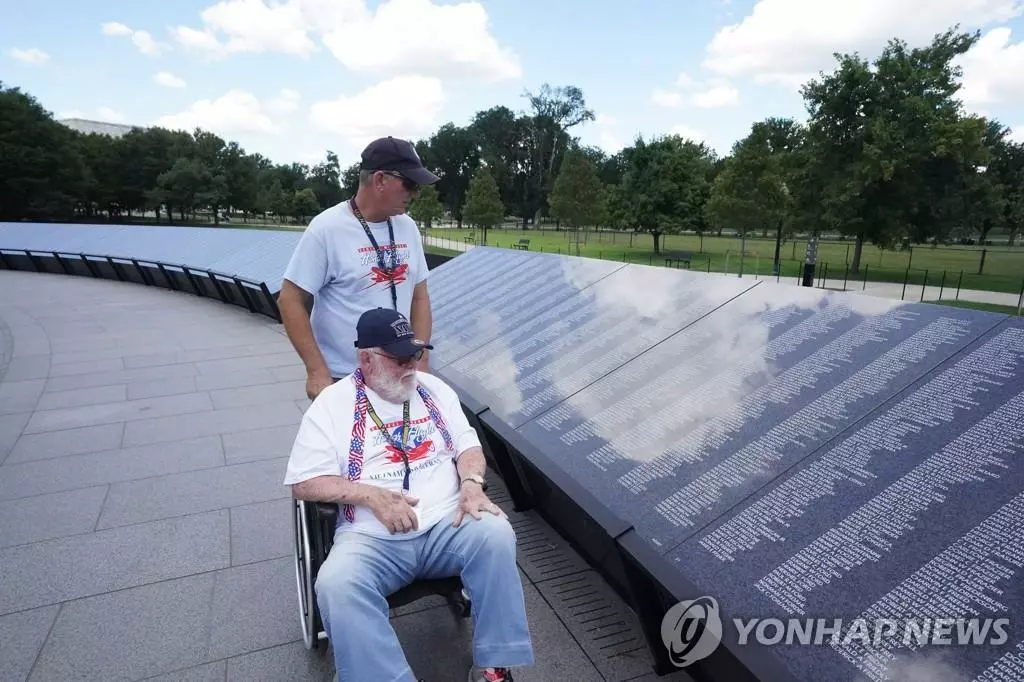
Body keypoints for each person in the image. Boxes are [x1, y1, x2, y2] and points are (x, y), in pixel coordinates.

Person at [283, 307, 534, 682]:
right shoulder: (332, 406)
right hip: (372, 540)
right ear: (366, 359)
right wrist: (371, 496)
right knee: (336, 584)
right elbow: (305, 482)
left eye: (414, 354)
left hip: (446, 524)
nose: (411, 366)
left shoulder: (434, 390)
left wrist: (470, 483)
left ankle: (495, 666)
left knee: (495, 533)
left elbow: (469, 448)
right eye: (399, 358)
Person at [279, 136, 439, 401]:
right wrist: (317, 371)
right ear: (379, 180)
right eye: (410, 184)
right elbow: (289, 300)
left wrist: (421, 362)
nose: (416, 193)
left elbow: (420, 296)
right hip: (345, 378)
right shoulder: (326, 229)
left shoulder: (407, 227)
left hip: (400, 373)